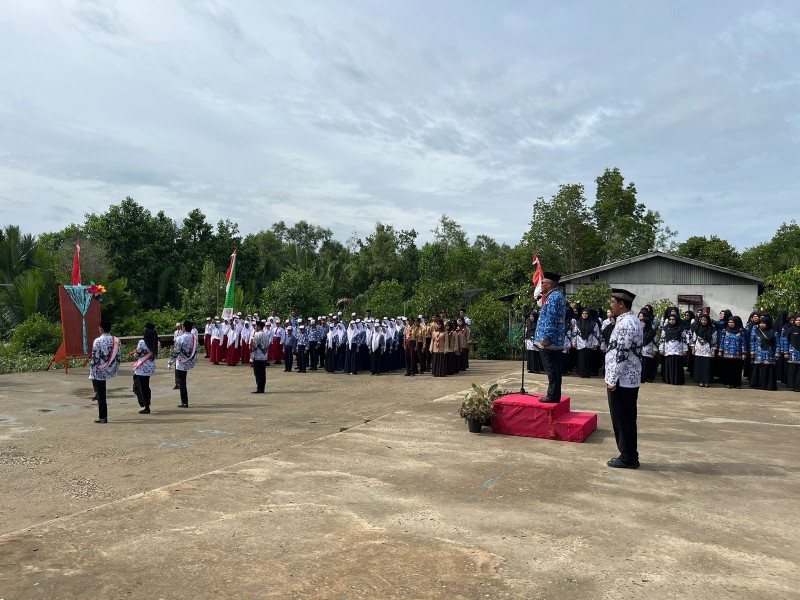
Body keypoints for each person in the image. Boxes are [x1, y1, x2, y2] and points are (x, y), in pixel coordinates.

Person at [604, 288, 643, 469]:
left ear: (621, 304)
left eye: (612, 302)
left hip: (622, 379)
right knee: (626, 419)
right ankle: (629, 455)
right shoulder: (630, 320)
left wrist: (612, 379)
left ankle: (628, 458)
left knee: (622, 419)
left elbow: (621, 353)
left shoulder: (626, 323)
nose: (610, 305)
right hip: (627, 378)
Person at [534, 272, 566, 403]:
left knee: (551, 369)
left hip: (550, 341)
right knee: (555, 369)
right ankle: (554, 394)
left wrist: (546, 337)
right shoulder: (556, 296)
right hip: (555, 340)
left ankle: (552, 395)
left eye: (543, 283)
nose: (541, 285)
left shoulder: (553, 297)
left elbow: (551, 319)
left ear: (550, 284)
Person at [89, 320, 121, 423]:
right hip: (111, 368)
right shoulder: (116, 340)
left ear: (101, 328)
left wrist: (92, 373)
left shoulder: (97, 341)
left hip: (100, 370)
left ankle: (103, 416)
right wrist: (115, 369)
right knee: (101, 393)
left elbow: (95, 358)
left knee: (101, 394)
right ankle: (102, 416)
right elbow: (118, 356)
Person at [132, 323, 158, 414]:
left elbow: (138, 354)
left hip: (142, 368)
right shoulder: (155, 341)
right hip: (150, 366)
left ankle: (146, 406)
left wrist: (134, 354)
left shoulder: (142, 342)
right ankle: (146, 404)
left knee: (141, 386)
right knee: (145, 386)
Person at [171, 320, 198, 408]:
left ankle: (184, 402)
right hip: (189, 361)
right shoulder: (194, 338)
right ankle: (184, 401)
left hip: (181, 362)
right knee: (183, 382)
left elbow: (176, 352)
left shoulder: (180, 338)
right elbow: (196, 349)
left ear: (184, 328)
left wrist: (170, 361)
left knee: (182, 383)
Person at [749, 314, 778, 391]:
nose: (761, 324)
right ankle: (758, 384)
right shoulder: (756, 332)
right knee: (759, 369)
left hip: (769, 354)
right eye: (760, 323)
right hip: (758, 354)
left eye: (763, 323)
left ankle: (768, 385)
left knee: (768, 370)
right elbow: (752, 341)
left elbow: (778, 344)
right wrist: (752, 351)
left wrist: (777, 353)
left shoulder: (774, 333)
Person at [718, 316, 747, 389]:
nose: (730, 324)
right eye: (729, 322)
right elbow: (722, 341)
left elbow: (744, 342)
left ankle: (737, 384)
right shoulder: (725, 331)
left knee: (737, 369)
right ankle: (729, 383)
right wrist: (720, 351)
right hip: (727, 353)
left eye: (732, 322)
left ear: (736, 323)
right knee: (728, 369)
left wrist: (744, 353)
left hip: (737, 354)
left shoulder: (741, 331)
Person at [660, 314, 688, 385]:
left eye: (673, 319)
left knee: (677, 365)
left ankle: (677, 380)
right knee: (668, 364)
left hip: (678, 349)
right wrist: (661, 349)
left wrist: (685, 349)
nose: (671, 321)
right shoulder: (666, 328)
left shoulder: (681, 328)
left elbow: (684, 339)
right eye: (670, 319)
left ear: (676, 320)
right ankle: (668, 379)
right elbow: (662, 339)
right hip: (668, 349)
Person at [571, 308, 600, 378]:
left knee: (588, 359)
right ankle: (582, 372)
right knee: (581, 359)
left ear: (588, 315)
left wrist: (595, 343)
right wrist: (574, 342)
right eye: (583, 314)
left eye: (586, 314)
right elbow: (575, 333)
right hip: (580, 343)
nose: (584, 315)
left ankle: (587, 373)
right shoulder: (578, 323)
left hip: (589, 343)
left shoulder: (594, 324)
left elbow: (596, 334)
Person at [691, 313, 717, 387]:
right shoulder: (697, 327)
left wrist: (713, 350)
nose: (703, 321)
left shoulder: (712, 328)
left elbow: (714, 340)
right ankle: (700, 380)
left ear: (708, 320)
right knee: (699, 365)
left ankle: (706, 381)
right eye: (702, 320)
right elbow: (693, 338)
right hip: (698, 348)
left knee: (707, 366)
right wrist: (693, 348)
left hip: (707, 349)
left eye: (705, 320)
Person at [250, 321, 269, 393]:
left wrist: (252, 357)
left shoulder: (257, 334)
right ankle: (262, 387)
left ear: (259, 327)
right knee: (263, 373)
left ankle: (259, 388)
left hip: (258, 356)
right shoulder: (266, 334)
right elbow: (268, 344)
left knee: (257, 373)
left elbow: (254, 346)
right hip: (264, 356)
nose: (255, 328)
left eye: (256, 326)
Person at [785, 314, 800, 392]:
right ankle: (794, 386)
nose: (798, 322)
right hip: (793, 353)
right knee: (793, 370)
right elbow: (786, 341)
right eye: (797, 320)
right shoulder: (791, 329)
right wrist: (786, 352)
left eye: (799, 320)